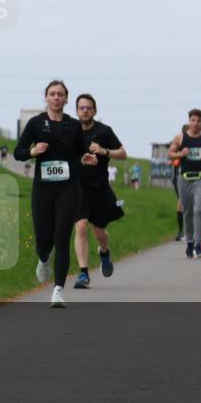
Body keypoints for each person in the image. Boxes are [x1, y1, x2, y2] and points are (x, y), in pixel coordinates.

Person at [15, 80, 96, 307]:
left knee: (62, 237)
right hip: (43, 188)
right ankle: (43, 258)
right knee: (43, 240)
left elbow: (80, 153)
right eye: (52, 94)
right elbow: (18, 152)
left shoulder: (74, 125)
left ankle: (58, 290)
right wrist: (33, 151)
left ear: (66, 98)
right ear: (46, 97)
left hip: (68, 188)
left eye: (60, 94)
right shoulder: (36, 123)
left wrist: (86, 158)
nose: (56, 97)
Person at [71, 94, 127, 289]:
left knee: (99, 233)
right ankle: (83, 274)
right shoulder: (71, 131)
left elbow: (123, 154)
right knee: (80, 227)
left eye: (89, 108)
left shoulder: (104, 131)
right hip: (78, 189)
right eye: (82, 108)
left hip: (100, 189)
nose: (85, 111)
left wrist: (105, 151)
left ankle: (104, 252)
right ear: (77, 110)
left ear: (94, 110)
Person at [169, 109, 201, 259]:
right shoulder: (180, 137)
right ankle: (189, 241)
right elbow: (170, 154)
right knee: (187, 213)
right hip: (184, 179)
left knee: (200, 210)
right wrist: (180, 154)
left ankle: (198, 244)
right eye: (193, 120)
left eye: (198, 121)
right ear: (189, 121)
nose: (195, 123)